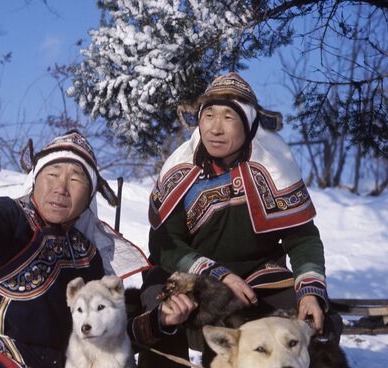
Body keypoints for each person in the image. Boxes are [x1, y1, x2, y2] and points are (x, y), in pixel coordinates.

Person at [0, 129, 195, 368]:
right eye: (53, 174)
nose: (60, 187)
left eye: (75, 179)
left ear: (89, 197)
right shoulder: (10, 219)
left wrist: (159, 322)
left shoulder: (89, 257)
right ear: (35, 180)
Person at [145, 72, 343, 366]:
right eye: (208, 115)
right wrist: (218, 275)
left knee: (320, 324)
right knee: (162, 313)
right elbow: (164, 244)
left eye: (228, 117)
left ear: (249, 124)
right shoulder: (181, 171)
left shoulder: (273, 169)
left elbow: (302, 238)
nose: (215, 128)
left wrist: (310, 292)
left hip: (258, 278)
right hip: (188, 277)